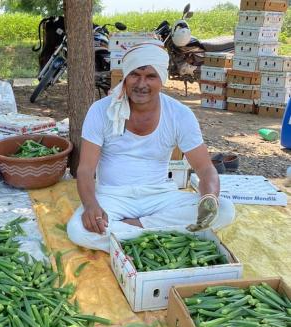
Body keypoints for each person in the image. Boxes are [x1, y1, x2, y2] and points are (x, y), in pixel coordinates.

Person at [66, 43, 235, 252]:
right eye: (135, 75)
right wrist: (91, 206)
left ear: (162, 79)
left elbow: (205, 168)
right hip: (112, 196)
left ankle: (132, 231)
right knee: (77, 229)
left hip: (160, 196)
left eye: (150, 76)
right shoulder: (101, 110)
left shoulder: (179, 114)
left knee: (225, 209)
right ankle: (164, 236)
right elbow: (85, 170)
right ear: (125, 77)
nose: (141, 84)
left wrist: (209, 199)